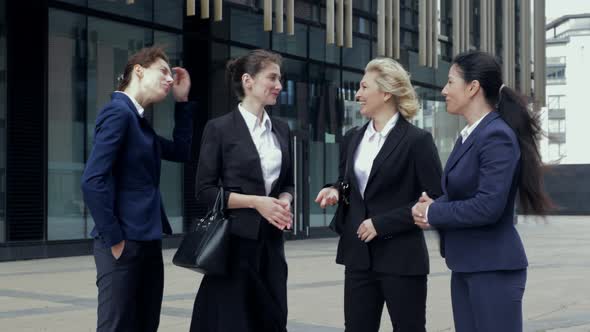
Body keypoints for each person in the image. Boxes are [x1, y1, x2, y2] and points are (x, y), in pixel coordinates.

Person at [412, 51, 552, 332]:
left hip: (493, 270)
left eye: (451, 82)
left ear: (473, 87)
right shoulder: (469, 135)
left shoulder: (496, 135)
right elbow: (466, 194)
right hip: (467, 265)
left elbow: (488, 206)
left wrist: (435, 211)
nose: (444, 90)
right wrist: (435, 206)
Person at [315, 57, 443, 332]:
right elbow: (351, 188)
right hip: (358, 257)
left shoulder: (417, 141)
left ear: (385, 93)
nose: (358, 95)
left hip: (402, 258)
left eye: (364, 87)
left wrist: (381, 224)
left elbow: (435, 199)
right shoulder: (352, 138)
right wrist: (336, 191)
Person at [81, 46, 195, 332]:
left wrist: (182, 103)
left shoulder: (138, 121)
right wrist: (115, 240)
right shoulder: (118, 113)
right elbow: (92, 180)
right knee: (116, 326)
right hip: (124, 243)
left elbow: (181, 151)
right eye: (163, 72)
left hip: (147, 241)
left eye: (171, 74)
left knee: (145, 324)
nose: (170, 79)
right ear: (139, 71)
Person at [190, 49, 293, 332]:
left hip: (271, 246)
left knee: (272, 319)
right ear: (248, 81)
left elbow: (288, 183)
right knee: (234, 322)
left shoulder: (281, 130)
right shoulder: (219, 129)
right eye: (272, 78)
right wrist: (257, 203)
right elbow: (205, 191)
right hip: (233, 246)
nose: (279, 86)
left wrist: (284, 200)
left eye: (280, 79)